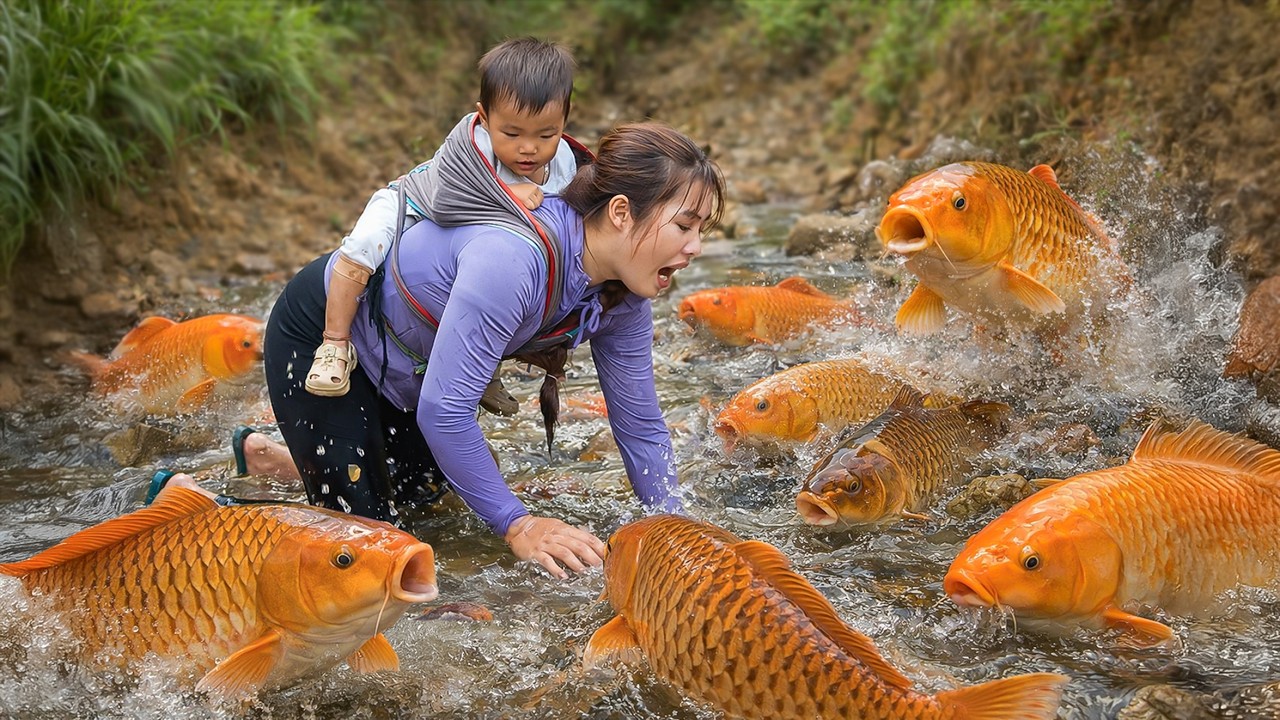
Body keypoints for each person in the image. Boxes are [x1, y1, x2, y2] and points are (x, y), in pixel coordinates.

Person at [257, 121, 724, 579]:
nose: (696, 247)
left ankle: (277, 462)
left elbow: (640, 427)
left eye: (702, 229)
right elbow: (445, 412)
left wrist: (676, 531)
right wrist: (519, 525)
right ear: (621, 212)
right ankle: (258, 480)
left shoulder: (622, 299)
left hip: (413, 368)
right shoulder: (513, 260)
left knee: (425, 510)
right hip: (326, 335)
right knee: (369, 553)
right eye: (685, 225)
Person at [306, 36, 584, 399]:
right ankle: (334, 344)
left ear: (565, 118)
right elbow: (444, 201)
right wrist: (505, 194)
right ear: (483, 118)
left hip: (472, 246)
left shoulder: (564, 161)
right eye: (511, 133)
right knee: (361, 248)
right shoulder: (471, 146)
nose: (529, 148)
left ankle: (481, 372)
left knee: (495, 282)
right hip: (412, 203)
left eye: (546, 134)